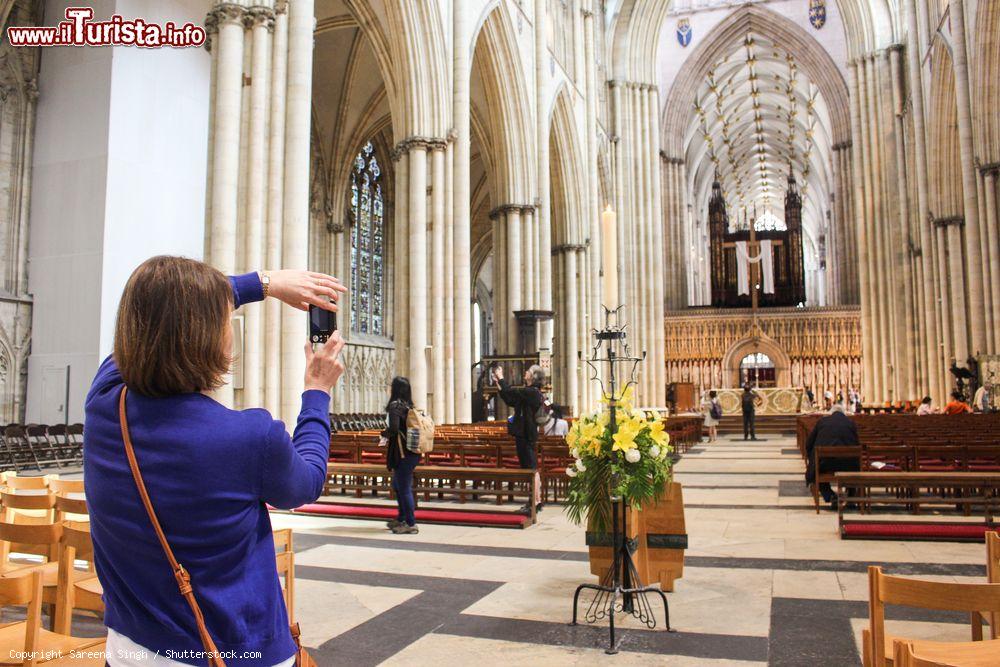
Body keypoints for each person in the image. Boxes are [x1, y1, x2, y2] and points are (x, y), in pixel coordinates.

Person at [84, 257, 347, 666]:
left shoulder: (105, 403)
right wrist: (317, 391)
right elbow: (307, 480)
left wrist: (262, 283)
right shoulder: (248, 437)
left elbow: (161, 313)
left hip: (130, 647)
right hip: (228, 652)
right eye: (224, 320)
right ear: (210, 338)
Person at [494, 364, 545, 512]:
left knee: (531, 468)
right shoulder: (527, 393)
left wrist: (502, 378)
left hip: (527, 434)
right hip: (522, 433)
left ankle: (535, 501)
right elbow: (511, 399)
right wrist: (499, 384)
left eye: (528, 371)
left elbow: (513, 392)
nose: (525, 372)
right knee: (527, 468)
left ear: (534, 377)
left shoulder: (532, 392)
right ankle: (534, 501)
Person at [382, 377, 421, 534]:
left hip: (403, 453)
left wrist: (382, 434)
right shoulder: (408, 406)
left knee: (404, 488)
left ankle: (410, 523)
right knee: (398, 486)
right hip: (411, 453)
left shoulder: (395, 406)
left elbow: (394, 429)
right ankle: (401, 518)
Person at [804, 404, 860, 507]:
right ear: (843, 413)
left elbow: (809, 443)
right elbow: (856, 444)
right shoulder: (851, 423)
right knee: (852, 463)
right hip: (848, 463)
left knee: (815, 470)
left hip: (826, 463)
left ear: (831, 412)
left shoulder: (822, 422)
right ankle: (851, 497)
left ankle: (830, 496)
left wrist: (810, 458)